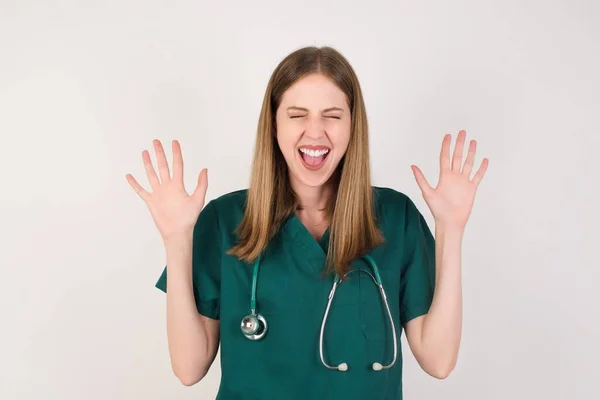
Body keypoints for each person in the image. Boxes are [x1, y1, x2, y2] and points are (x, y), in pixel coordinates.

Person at [126, 45, 488, 400]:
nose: (315, 133)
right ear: (274, 124)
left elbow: (439, 361)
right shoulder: (224, 220)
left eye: (332, 115)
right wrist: (175, 239)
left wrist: (451, 229)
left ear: (352, 125)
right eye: (297, 114)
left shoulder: (396, 217)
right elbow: (189, 369)